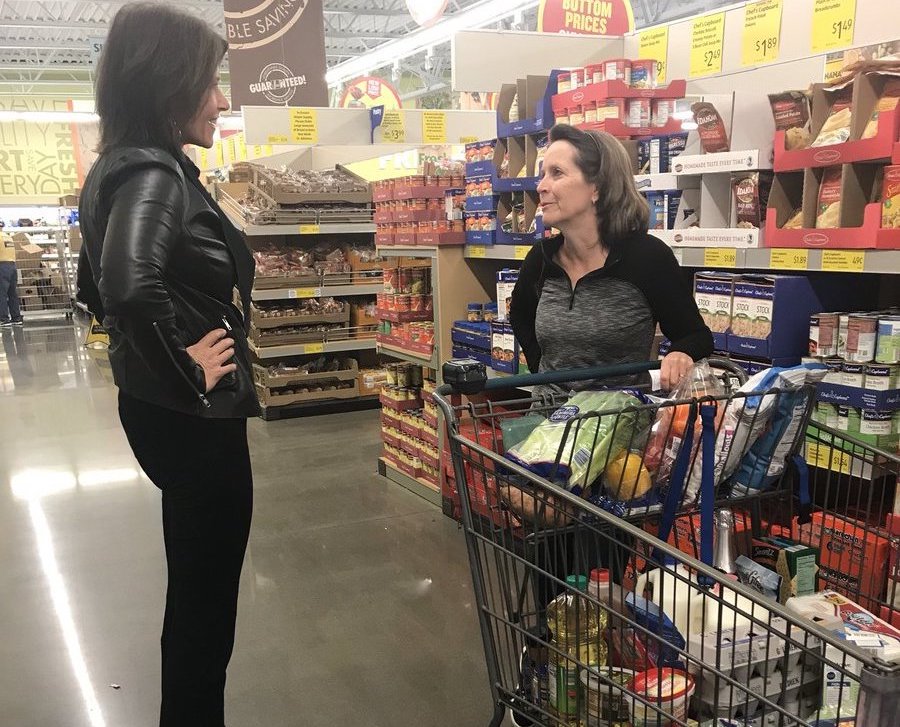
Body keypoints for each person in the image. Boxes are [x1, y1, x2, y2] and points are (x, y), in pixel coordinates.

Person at [76, 4, 259, 725]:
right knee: (206, 609)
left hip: (167, 413)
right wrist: (188, 369)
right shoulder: (153, 173)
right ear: (167, 85)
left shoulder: (123, 168)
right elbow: (124, 283)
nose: (220, 99)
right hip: (193, 418)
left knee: (194, 592)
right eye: (210, 82)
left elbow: (94, 287)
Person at [511, 124, 713, 394]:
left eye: (556, 173)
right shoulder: (541, 259)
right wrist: (543, 376)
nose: (541, 186)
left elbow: (695, 335)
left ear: (597, 187)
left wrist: (681, 353)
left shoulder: (647, 258)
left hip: (615, 424)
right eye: (543, 174)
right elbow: (519, 315)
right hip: (548, 426)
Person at [0, 226, 24, 327]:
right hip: (12, 266)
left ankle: (4, 319)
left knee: (1, 294)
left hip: (2, 266)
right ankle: (16, 318)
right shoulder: (8, 237)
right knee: (12, 293)